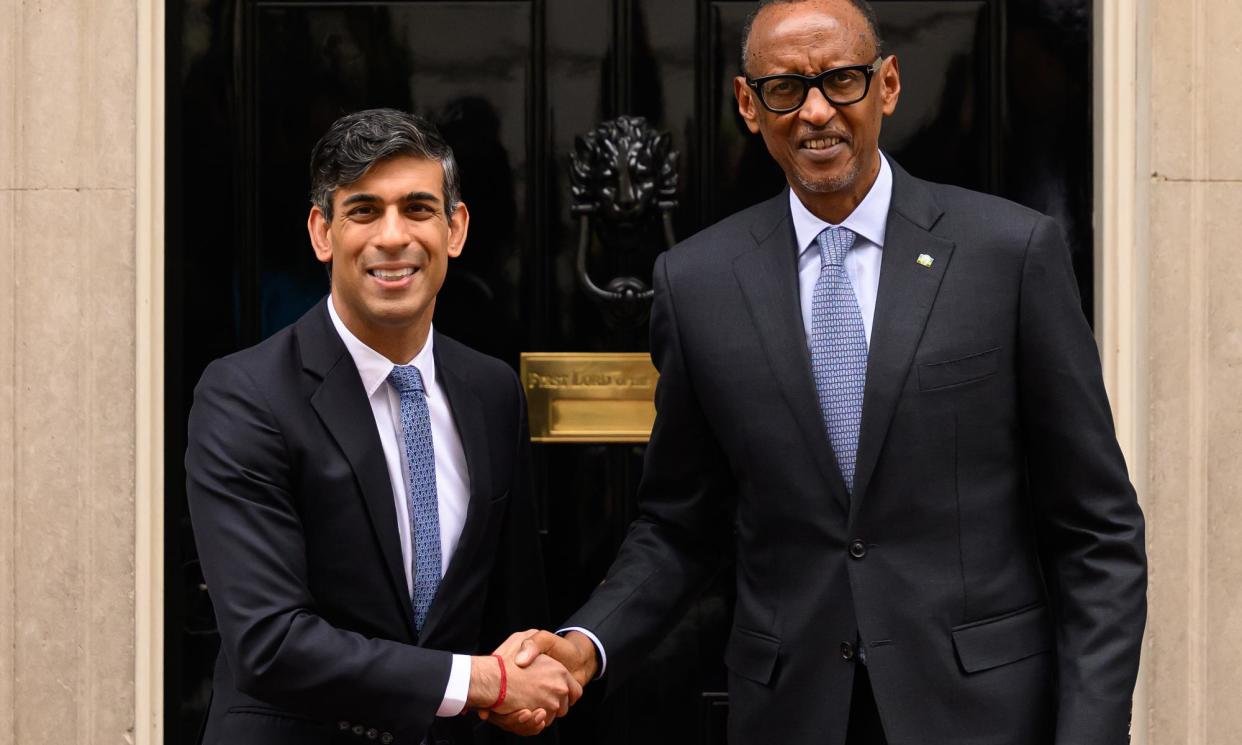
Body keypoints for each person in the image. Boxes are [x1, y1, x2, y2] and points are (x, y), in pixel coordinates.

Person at [504, 1, 1148, 743]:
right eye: (785, 89)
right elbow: (681, 526)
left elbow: (1096, 532)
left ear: (889, 86)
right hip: (792, 714)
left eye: (842, 80)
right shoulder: (697, 283)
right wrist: (586, 646)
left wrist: (1091, 731)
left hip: (984, 714)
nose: (816, 112)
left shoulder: (1010, 255)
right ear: (748, 104)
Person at [186, 108, 579, 745]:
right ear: (322, 232)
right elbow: (270, 642)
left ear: (455, 229)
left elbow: (511, 611)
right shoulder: (244, 396)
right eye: (364, 210)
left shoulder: (492, 391)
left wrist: (523, 686)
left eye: (418, 209)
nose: (392, 236)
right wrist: (484, 683)